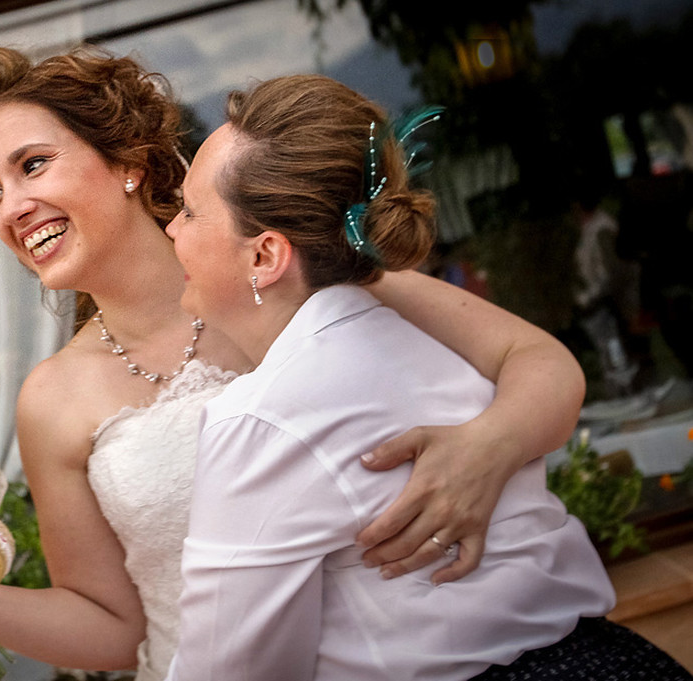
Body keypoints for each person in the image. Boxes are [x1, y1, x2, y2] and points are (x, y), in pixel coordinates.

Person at [0, 46, 589, 679]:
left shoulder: (295, 268)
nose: (10, 207)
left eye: (33, 165)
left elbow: (540, 361)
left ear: (126, 161)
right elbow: (115, 628)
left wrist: (490, 446)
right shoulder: (52, 398)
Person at [163, 73, 691, 680]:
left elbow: (234, 670)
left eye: (187, 211)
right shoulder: (424, 336)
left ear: (265, 255)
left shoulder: (263, 417)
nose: (172, 230)